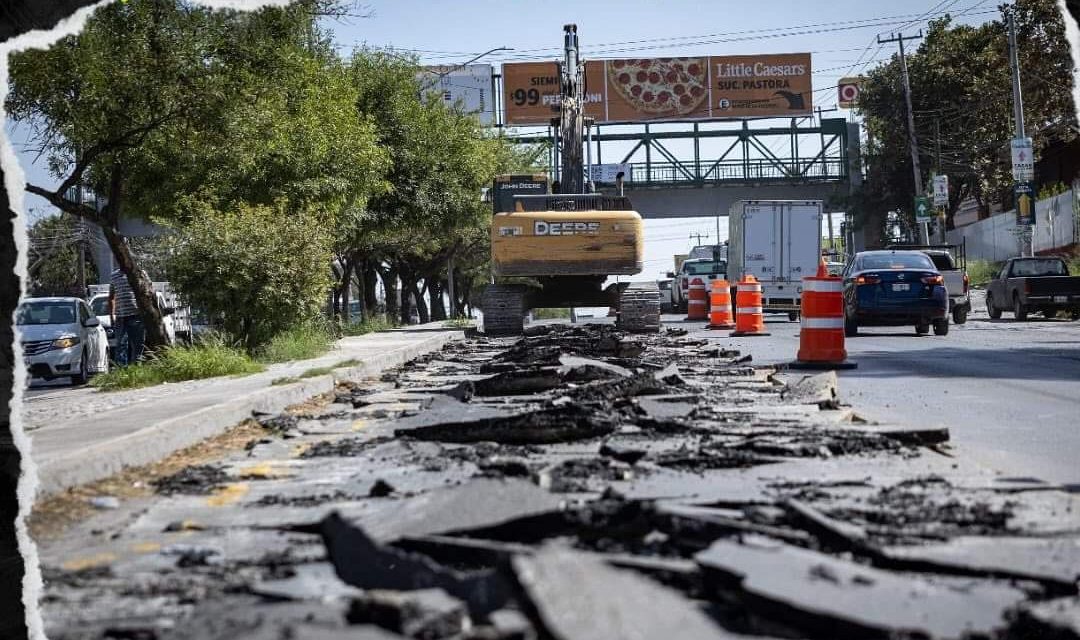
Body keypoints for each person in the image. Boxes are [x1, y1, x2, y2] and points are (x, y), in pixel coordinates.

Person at [109, 265, 149, 366]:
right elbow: (111, 297)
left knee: (138, 345)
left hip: (136, 315)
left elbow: (149, 292)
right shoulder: (114, 276)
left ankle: (136, 370)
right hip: (120, 317)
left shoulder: (140, 273)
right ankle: (123, 372)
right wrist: (111, 316)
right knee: (121, 345)